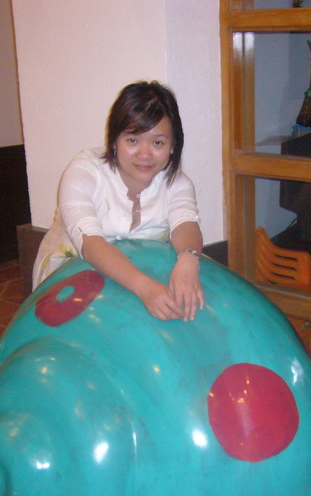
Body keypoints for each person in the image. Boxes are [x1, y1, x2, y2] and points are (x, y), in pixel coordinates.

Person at [32, 81, 206, 321]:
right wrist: (145, 288)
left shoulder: (178, 183)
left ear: (173, 146)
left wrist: (188, 259)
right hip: (73, 287)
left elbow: (186, 223)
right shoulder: (84, 171)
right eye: (132, 140)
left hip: (143, 282)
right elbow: (91, 243)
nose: (144, 155)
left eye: (158, 143)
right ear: (114, 140)